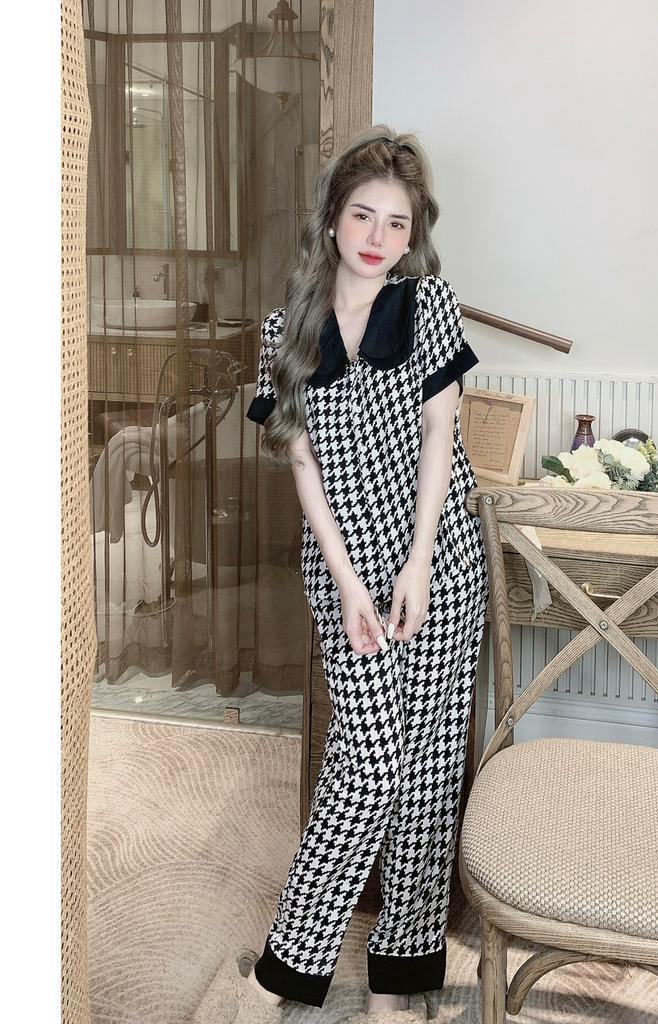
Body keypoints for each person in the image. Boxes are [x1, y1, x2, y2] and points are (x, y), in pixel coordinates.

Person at [234, 125, 489, 1020]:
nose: (379, 236)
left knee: (429, 765)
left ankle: (399, 981)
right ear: (333, 219)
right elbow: (302, 466)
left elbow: (441, 436)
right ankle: (285, 972)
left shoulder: (429, 305)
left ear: (415, 232)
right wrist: (349, 584)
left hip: (436, 559)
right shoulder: (286, 332)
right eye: (362, 215)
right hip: (345, 569)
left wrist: (419, 563)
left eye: (397, 221)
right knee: (369, 765)